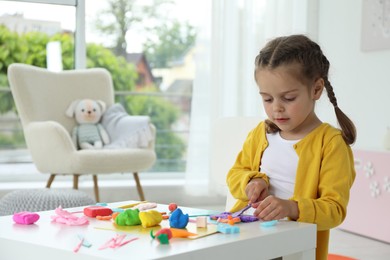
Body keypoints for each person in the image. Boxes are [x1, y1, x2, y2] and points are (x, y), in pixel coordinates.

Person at [226, 34, 356, 260]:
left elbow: (334, 210)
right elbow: (235, 174)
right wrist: (252, 182)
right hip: (247, 240)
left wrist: (292, 208)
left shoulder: (331, 144)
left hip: (293, 249)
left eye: (288, 98)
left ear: (316, 90)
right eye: (267, 99)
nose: (276, 109)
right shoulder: (261, 133)